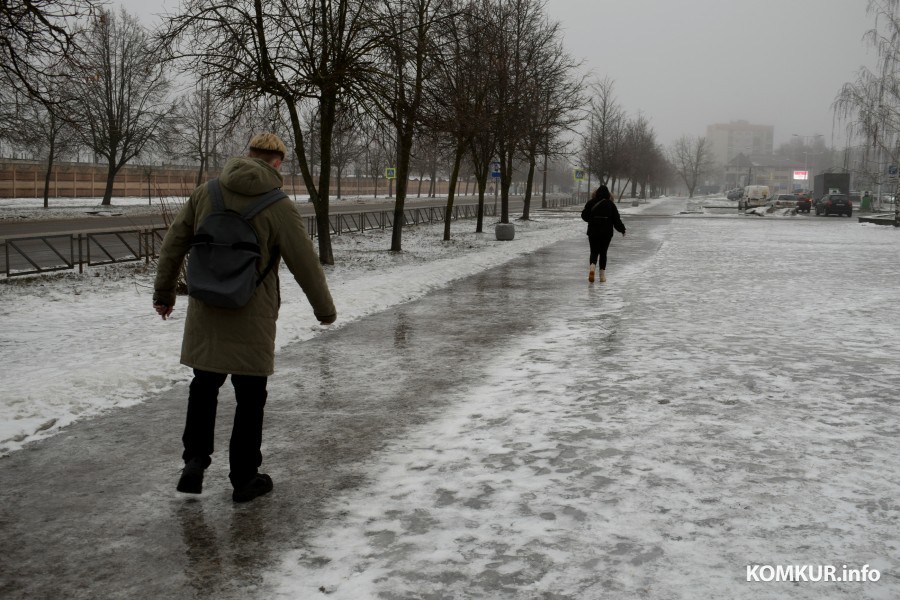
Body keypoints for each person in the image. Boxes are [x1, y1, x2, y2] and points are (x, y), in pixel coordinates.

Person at [153, 132, 336, 503]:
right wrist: (324, 310)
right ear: (277, 162)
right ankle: (244, 478)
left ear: (248, 154)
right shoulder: (279, 205)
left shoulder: (207, 193)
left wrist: (164, 293)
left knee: (204, 387)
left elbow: (174, 242)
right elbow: (306, 264)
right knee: (250, 396)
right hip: (251, 312)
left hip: (206, 309)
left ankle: (195, 459)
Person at [580, 185, 626, 283]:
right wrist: (622, 229)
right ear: (608, 194)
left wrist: (592, 220)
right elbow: (616, 220)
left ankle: (592, 268)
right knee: (603, 252)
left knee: (594, 251)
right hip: (606, 232)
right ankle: (602, 276)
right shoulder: (611, 204)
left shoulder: (591, 202)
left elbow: (584, 216)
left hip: (593, 231)